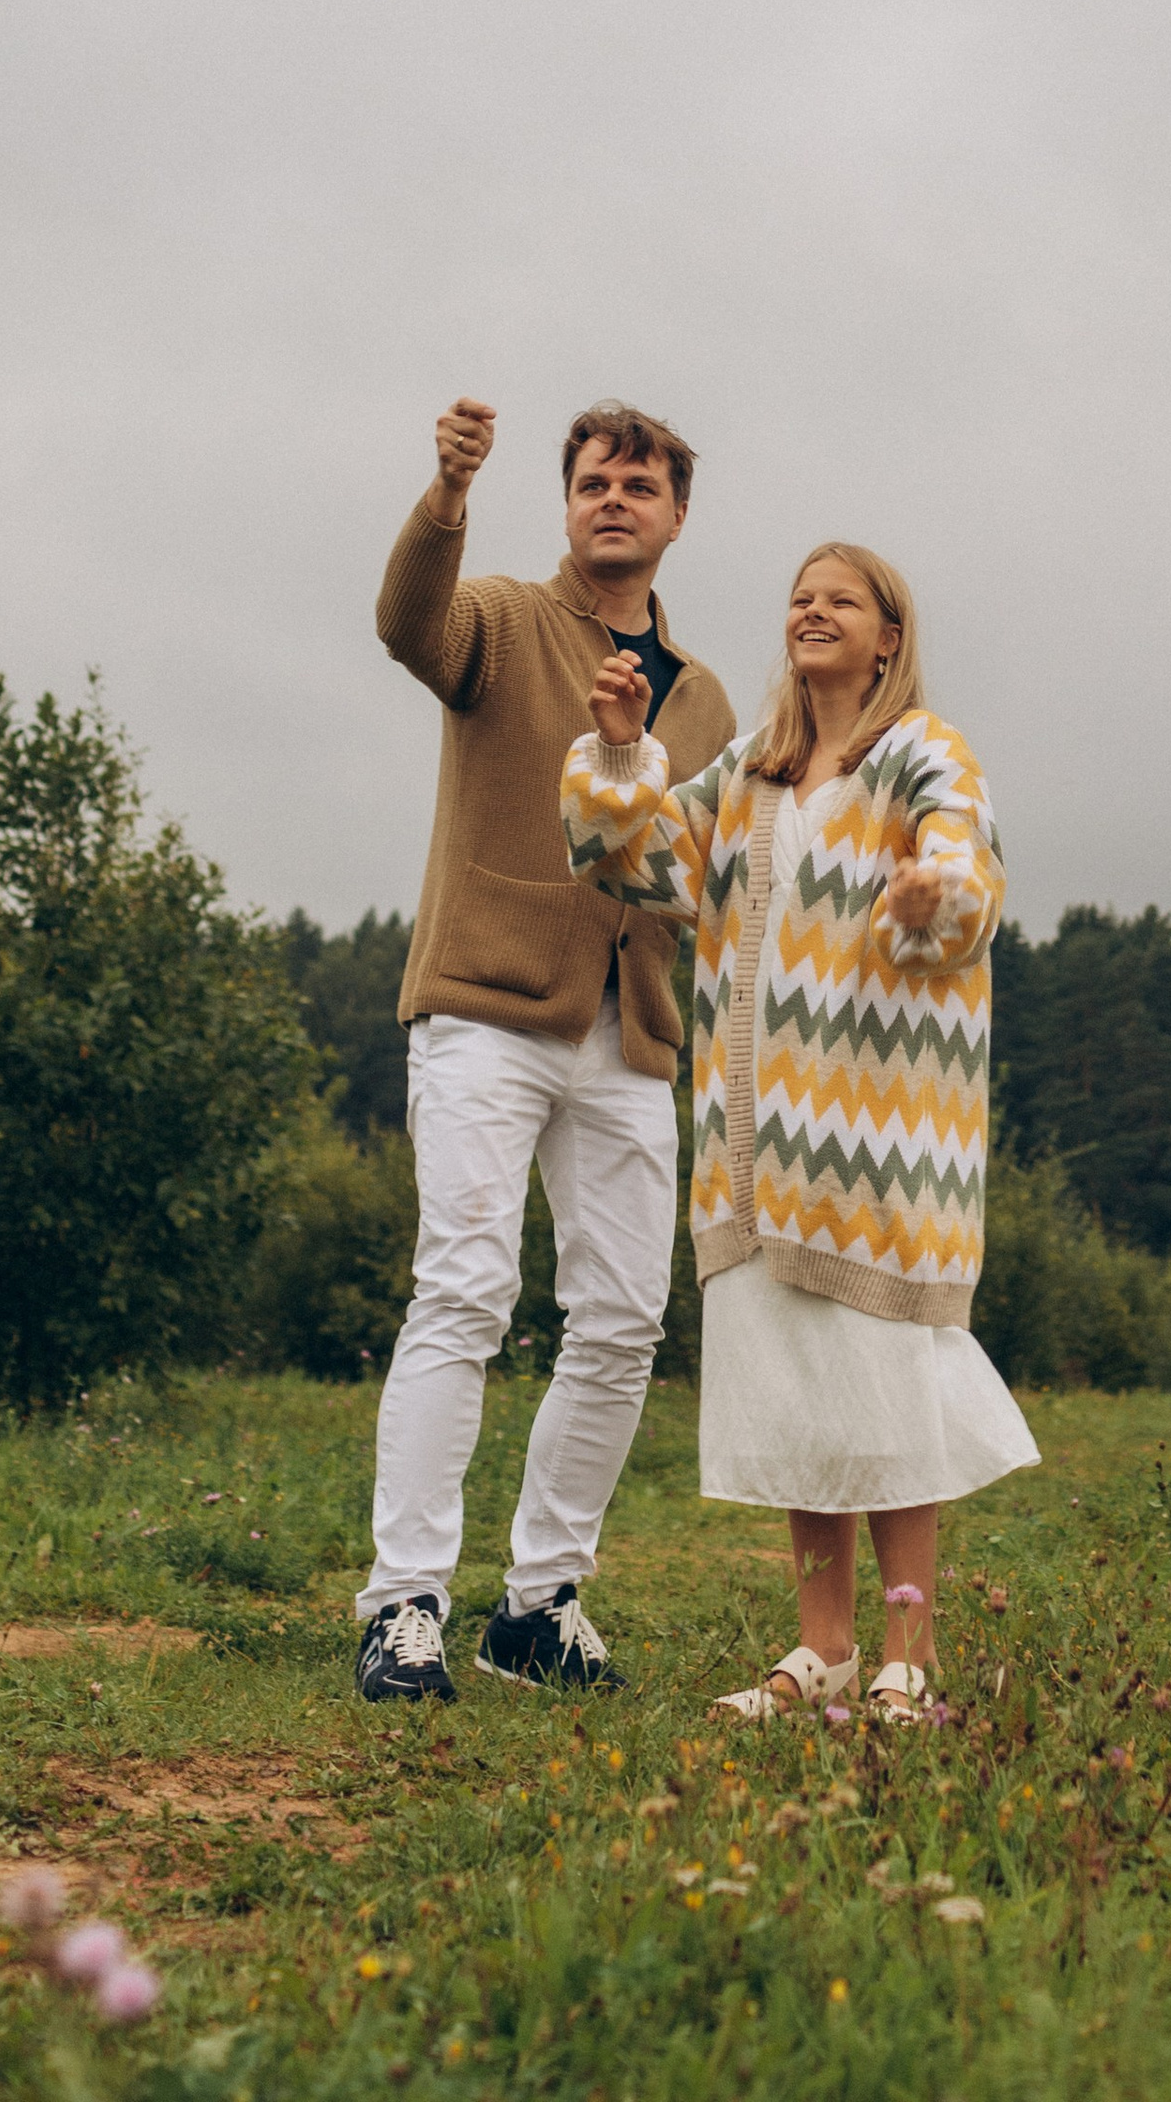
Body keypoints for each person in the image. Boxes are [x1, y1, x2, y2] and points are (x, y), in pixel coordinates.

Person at [562, 541, 1037, 1724]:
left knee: (884, 1405)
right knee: (795, 1404)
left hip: (877, 1149)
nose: (812, 611)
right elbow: (626, 863)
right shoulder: (748, 775)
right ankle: (820, 1650)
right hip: (753, 1151)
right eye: (799, 598)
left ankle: (906, 1659)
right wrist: (622, 748)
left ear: (889, 636)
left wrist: (937, 891)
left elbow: (966, 866)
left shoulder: (923, 752)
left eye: (843, 600)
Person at [352, 397, 737, 1706]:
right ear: (565, 500)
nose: (613, 497)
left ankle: (536, 1606)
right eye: (592, 480)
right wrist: (447, 498)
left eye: (639, 482)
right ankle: (402, 1601)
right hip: (485, 999)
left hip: (629, 1026)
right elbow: (411, 625)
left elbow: (687, 865)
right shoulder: (506, 618)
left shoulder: (710, 699)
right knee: (462, 1287)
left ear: (678, 514)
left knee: (625, 1317)